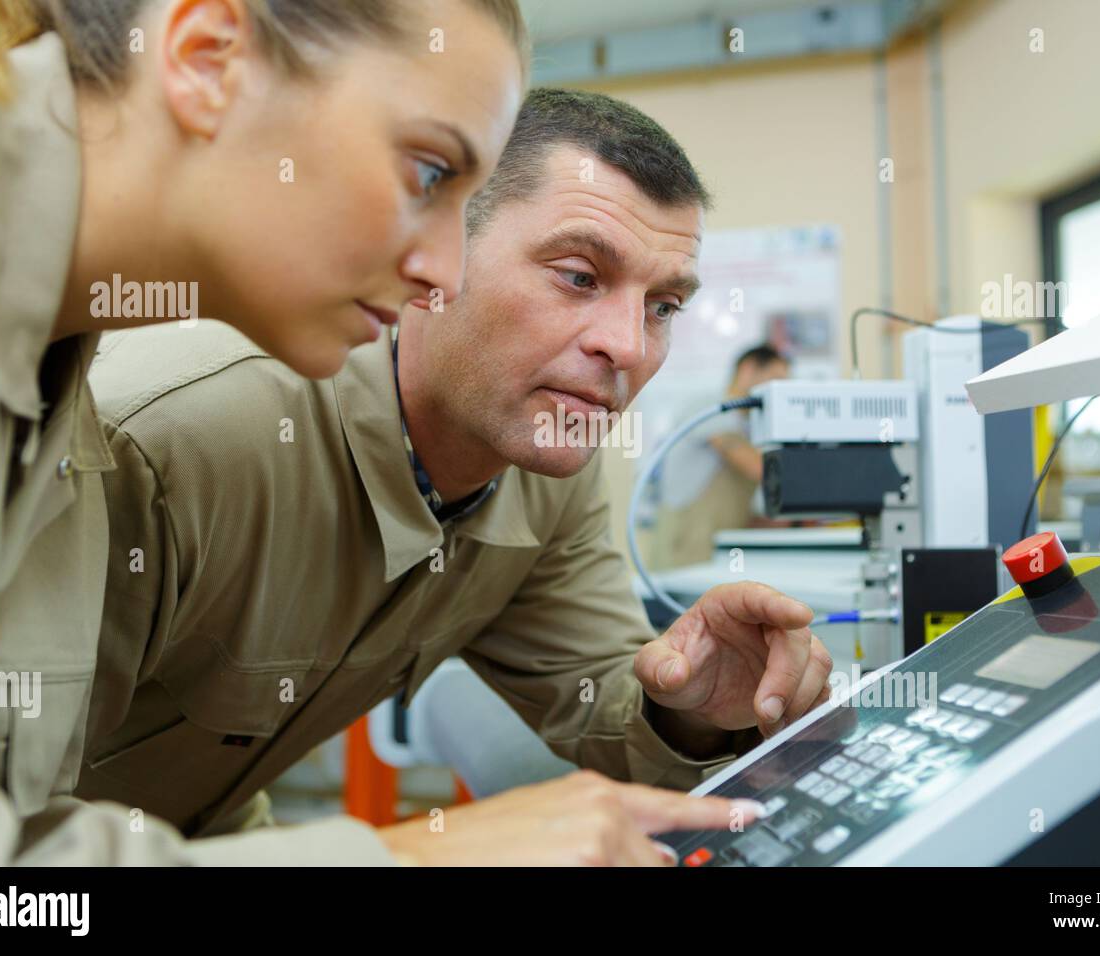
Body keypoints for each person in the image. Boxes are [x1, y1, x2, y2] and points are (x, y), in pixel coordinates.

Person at [78, 88, 834, 865]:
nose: (629, 348)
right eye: (579, 276)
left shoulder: (547, 468)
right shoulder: (168, 441)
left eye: (663, 306)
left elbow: (596, 698)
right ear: (432, 258)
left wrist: (694, 706)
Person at [0, 0, 527, 864]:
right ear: (208, 60)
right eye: (430, 172)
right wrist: (411, 859)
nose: (444, 272)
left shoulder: (49, 413)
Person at [654, 344, 793, 569]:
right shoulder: (711, 409)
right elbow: (757, 467)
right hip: (688, 539)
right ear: (748, 369)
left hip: (722, 544)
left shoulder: (750, 426)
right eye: (775, 379)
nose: (777, 391)